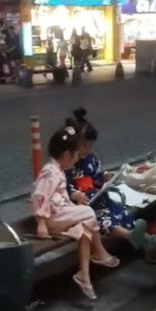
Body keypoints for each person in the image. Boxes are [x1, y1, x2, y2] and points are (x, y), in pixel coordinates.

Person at [32, 126, 120, 300]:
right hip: (53, 217)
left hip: (61, 213)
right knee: (88, 211)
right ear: (66, 155)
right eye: (74, 156)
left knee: (85, 225)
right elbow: (39, 196)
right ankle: (100, 252)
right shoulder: (50, 172)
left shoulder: (57, 170)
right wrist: (41, 222)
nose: (75, 161)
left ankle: (84, 276)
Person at [65, 109, 143, 243]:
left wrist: (107, 176)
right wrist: (74, 194)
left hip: (97, 197)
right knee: (103, 216)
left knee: (116, 206)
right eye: (84, 146)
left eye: (90, 146)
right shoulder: (67, 162)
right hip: (82, 205)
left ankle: (135, 232)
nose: (87, 150)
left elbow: (98, 174)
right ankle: (130, 236)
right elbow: (63, 186)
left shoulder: (90, 158)